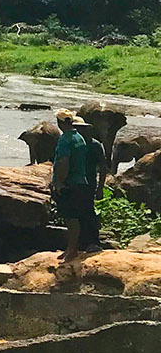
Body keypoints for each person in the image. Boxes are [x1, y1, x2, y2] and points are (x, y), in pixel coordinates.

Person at [52, 109, 98, 259]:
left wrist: (59, 181)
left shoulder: (65, 139)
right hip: (81, 181)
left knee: (70, 218)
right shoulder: (79, 137)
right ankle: (72, 248)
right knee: (74, 218)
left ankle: (72, 249)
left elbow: (63, 162)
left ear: (59, 123)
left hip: (70, 183)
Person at [73, 117, 107, 251]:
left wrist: (100, 188)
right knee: (76, 213)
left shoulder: (95, 145)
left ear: (87, 129)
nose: (79, 131)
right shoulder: (73, 144)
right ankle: (80, 243)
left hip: (89, 183)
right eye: (76, 129)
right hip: (74, 183)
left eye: (81, 129)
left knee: (88, 212)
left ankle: (93, 242)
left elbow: (103, 168)